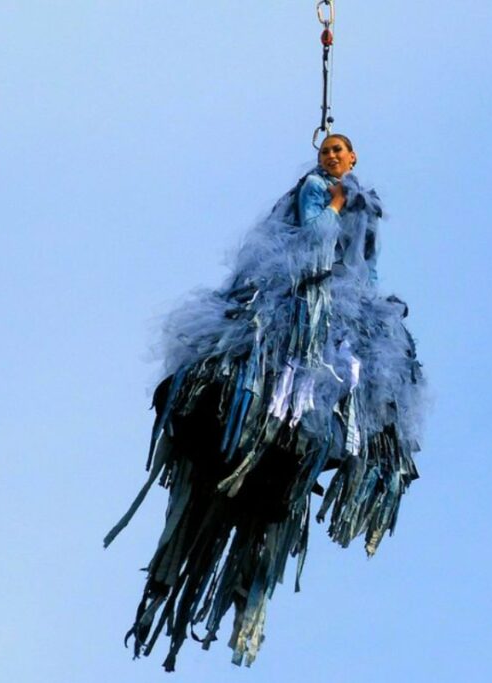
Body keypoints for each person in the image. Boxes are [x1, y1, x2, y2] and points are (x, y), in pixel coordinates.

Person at [104, 135, 425, 671]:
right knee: (278, 371)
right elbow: (320, 241)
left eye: (340, 149)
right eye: (326, 148)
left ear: (355, 159)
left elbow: (366, 269)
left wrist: (370, 305)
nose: (331, 155)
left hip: (343, 312)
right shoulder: (318, 190)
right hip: (301, 298)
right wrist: (336, 204)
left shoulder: (363, 205)